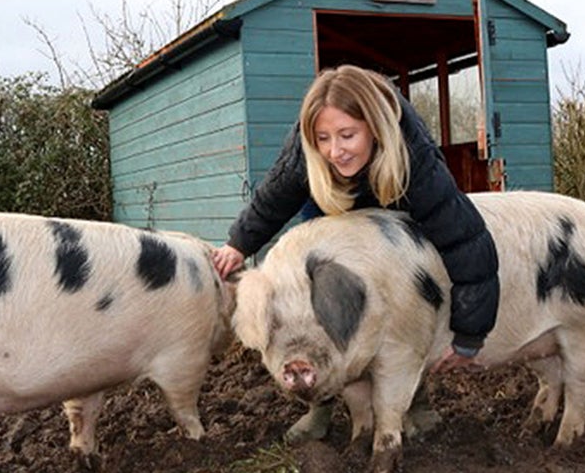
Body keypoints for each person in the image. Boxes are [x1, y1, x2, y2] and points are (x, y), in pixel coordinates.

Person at [212, 64, 499, 373]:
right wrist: (239, 243)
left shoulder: (414, 160)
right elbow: (273, 200)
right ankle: (321, 385)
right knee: (322, 278)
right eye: (323, 138)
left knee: (397, 286)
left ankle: (406, 382)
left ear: (374, 128)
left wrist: (470, 334)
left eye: (347, 135)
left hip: (390, 191)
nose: (335, 151)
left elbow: (466, 242)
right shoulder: (307, 156)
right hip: (330, 196)